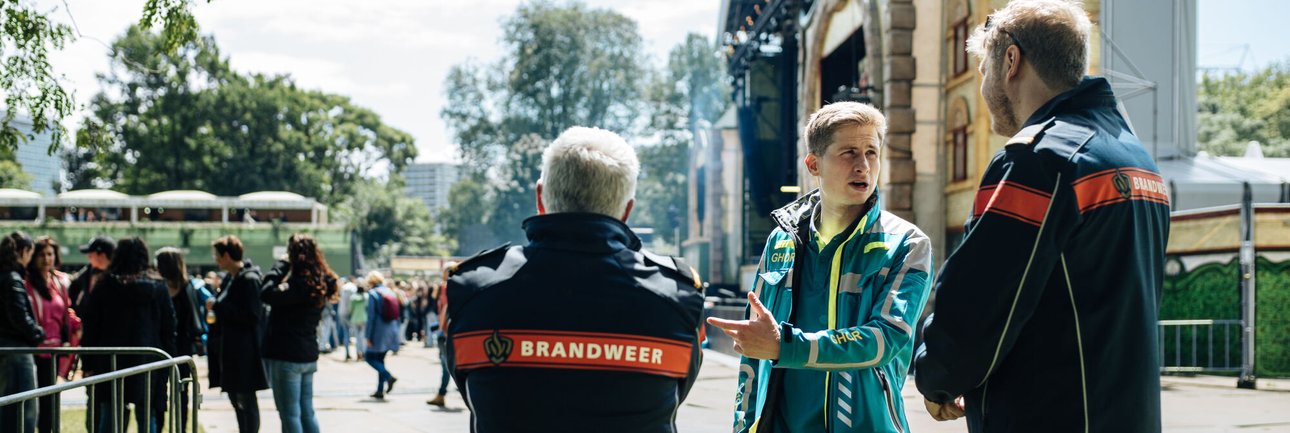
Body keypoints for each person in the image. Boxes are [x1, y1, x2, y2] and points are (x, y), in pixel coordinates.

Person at [913, 1, 1172, 432]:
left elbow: (978, 303)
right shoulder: (1135, 159)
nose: (983, 85)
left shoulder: (1040, 158)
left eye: (984, 69)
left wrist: (938, 377)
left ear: (1011, 61)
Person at [443, 126, 706, 432]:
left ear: (540, 197)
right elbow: (676, 394)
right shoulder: (678, 296)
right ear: (627, 211)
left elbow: (472, 393)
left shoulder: (472, 289)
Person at [706, 103, 933, 433]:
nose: (863, 165)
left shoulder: (908, 243)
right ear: (814, 164)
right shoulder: (781, 241)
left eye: (871, 152)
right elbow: (753, 353)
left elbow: (886, 338)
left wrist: (786, 346)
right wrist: (742, 427)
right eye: (849, 152)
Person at [79, 237, 177, 433]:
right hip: (149, 361)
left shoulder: (104, 286)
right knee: (147, 416)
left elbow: (91, 327)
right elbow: (169, 329)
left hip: (111, 362)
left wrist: (88, 363)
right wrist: (168, 362)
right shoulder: (158, 288)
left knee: (110, 414)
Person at [260, 233, 338, 433]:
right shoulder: (321, 283)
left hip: (286, 355)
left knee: (289, 414)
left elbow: (266, 292)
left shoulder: (296, 285)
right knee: (307, 412)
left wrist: (281, 266)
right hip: (308, 353)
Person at [208, 235, 268, 433]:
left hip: (245, 351)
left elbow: (253, 315)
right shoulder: (230, 279)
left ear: (226, 255)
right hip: (231, 349)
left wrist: (219, 307)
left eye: (217, 255)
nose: (215, 259)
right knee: (236, 399)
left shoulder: (249, 280)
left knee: (246, 401)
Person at [24, 236, 81, 433]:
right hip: (31, 350)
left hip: (54, 352)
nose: (46, 258)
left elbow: (66, 311)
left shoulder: (60, 282)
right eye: (41, 254)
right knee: (30, 405)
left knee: (50, 405)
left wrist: (77, 325)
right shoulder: (25, 282)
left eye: (50, 254)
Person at [156, 247, 205, 433]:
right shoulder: (177, 287)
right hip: (170, 346)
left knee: (180, 392)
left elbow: (192, 320)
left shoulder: (183, 288)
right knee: (162, 392)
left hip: (175, 347)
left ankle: (180, 429)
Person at [0, 231, 43, 433]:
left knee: (7, 407)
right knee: (25, 410)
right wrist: (38, 333)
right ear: (24, 251)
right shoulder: (13, 279)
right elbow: (19, 317)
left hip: (5, 349)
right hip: (17, 351)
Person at [362, 271, 399, 399]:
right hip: (390, 330)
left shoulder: (373, 294)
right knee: (380, 359)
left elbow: (371, 317)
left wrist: (368, 336)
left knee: (369, 357)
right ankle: (379, 390)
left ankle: (388, 377)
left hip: (378, 331)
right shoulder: (390, 292)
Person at [69, 235, 115, 311]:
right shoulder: (88, 271)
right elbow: (74, 287)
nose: (88, 257)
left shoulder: (119, 275)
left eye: (90, 254)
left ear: (102, 255)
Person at [337, 277, 356, 361]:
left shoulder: (343, 288)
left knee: (346, 333)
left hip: (342, 312)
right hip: (351, 313)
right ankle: (359, 353)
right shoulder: (353, 287)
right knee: (356, 333)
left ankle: (347, 353)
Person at [348, 282, 368, 361]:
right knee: (363, 337)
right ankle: (363, 352)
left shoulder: (353, 297)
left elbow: (350, 309)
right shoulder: (366, 297)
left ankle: (358, 353)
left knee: (357, 337)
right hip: (364, 318)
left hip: (354, 318)